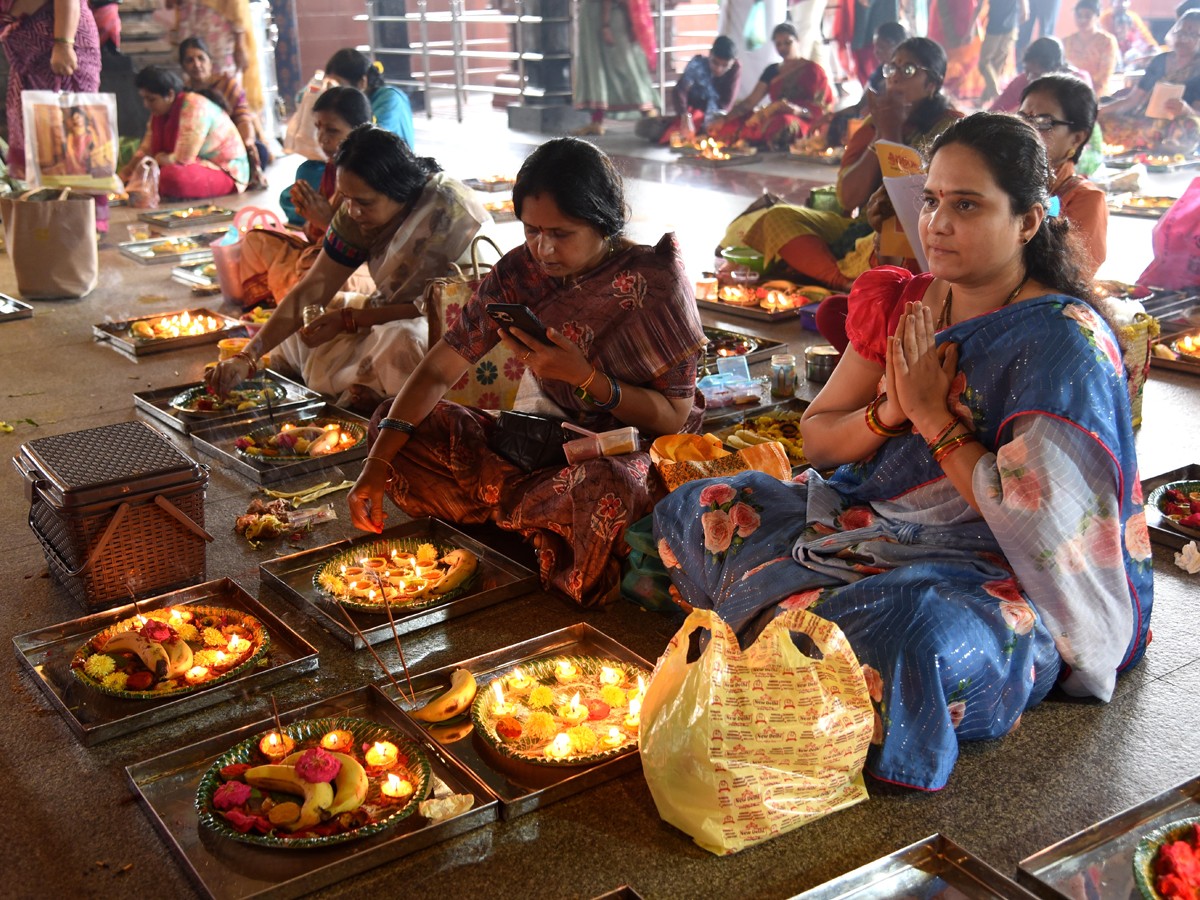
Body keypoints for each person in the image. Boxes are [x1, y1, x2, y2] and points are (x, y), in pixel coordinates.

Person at [653, 112, 1153, 791]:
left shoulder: (1064, 344)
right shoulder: (911, 301)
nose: (938, 224)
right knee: (706, 502)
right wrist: (892, 411)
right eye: (935, 200)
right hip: (872, 522)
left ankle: (786, 626)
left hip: (998, 566)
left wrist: (934, 419)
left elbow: (1043, 532)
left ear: (1030, 221)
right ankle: (803, 638)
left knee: (915, 633)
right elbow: (820, 438)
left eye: (968, 205)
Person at [347, 137, 707, 606]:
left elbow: (673, 418)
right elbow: (438, 369)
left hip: (630, 452)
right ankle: (540, 525)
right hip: (543, 443)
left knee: (605, 489)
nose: (543, 249)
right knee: (392, 426)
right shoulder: (519, 274)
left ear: (603, 221)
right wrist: (374, 466)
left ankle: (529, 522)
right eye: (531, 230)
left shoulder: (655, 283)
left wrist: (586, 378)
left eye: (561, 233)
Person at [207, 125, 488, 410]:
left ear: (397, 189)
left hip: (451, 327)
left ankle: (400, 409)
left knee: (402, 340)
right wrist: (247, 356)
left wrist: (351, 320)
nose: (352, 211)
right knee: (304, 317)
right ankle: (371, 389)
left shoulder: (447, 209)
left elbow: (444, 305)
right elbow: (314, 287)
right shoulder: (355, 213)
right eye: (346, 198)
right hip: (385, 310)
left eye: (364, 202)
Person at [722, 37, 960, 292]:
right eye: (892, 68)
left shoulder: (950, 127)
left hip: (908, 233)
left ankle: (844, 276)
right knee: (777, 217)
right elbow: (848, 198)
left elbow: (914, 202)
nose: (895, 77)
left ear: (932, 84)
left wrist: (892, 133)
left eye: (909, 69)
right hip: (860, 225)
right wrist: (882, 131)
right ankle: (844, 282)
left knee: (889, 240)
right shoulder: (875, 120)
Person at [239, 86, 375, 310]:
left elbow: (375, 247)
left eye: (332, 130)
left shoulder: (373, 169)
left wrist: (327, 221)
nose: (322, 138)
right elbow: (315, 239)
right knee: (256, 241)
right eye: (319, 128)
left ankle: (296, 307)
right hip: (325, 255)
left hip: (363, 269)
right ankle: (273, 309)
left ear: (359, 130)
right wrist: (311, 218)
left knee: (312, 267)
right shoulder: (333, 167)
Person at [0, 0, 103, 221]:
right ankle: (50, 225)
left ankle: (78, 225)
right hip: (26, 50)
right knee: (38, 142)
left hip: (60, 39)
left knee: (74, 141)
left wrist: (64, 43)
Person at [1019, 74, 1107, 274]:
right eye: (1023, 118)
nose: (1027, 129)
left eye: (1044, 121)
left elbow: (1071, 277)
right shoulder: (998, 179)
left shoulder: (1086, 199)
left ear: (1077, 138)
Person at [118, 65, 248, 199]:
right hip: (190, 166)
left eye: (151, 99)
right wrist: (124, 174)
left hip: (225, 172)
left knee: (170, 178)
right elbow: (145, 149)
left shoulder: (194, 107)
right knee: (144, 175)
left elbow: (183, 159)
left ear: (170, 94)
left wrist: (158, 159)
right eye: (144, 99)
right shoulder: (159, 113)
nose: (146, 105)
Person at [708, 23, 833, 150]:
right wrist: (725, 119)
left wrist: (797, 110)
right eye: (778, 44)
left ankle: (757, 143)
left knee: (783, 122)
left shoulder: (813, 70)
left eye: (787, 42)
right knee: (731, 124)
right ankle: (754, 142)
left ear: (797, 41)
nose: (783, 47)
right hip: (772, 114)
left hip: (803, 119)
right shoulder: (772, 70)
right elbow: (750, 102)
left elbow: (822, 109)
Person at [1099, 10, 1200, 154]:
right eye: (1181, 32)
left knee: (1191, 126)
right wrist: (1098, 112)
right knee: (1101, 121)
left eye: (1192, 35)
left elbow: (1197, 113)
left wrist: (1186, 110)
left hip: (1175, 126)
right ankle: (1146, 146)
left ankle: (1159, 148)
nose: (1183, 39)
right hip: (1144, 121)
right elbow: (1133, 99)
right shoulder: (1159, 60)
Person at [179, 36, 269, 189]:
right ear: (183, 66)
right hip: (200, 148)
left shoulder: (228, 84)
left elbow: (243, 118)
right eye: (190, 60)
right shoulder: (183, 94)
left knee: (260, 152)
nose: (197, 64)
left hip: (231, 147)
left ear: (210, 61)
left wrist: (246, 145)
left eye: (201, 58)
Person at [573, 0, 659, 136]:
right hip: (594, 16)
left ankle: (648, 110)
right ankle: (596, 120)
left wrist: (606, 23)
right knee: (596, 66)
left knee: (626, 65)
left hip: (609, 17)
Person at [163, 0, 261, 111]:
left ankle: (228, 124)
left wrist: (240, 43)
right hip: (190, 20)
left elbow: (237, 5)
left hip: (217, 28)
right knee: (193, 80)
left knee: (225, 86)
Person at [825, 20, 907, 147]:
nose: (876, 52)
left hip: (898, 123)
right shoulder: (879, 73)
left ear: (897, 47)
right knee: (842, 120)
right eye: (875, 47)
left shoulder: (905, 75)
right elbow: (860, 106)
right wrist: (832, 116)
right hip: (874, 118)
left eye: (882, 47)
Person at [324, 48, 415, 151]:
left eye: (339, 85)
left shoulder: (390, 99)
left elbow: (372, 139)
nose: (334, 91)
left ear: (362, 82)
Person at [659, 35, 741, 145]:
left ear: (732, 63)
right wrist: (684, 116)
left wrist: (715, 123)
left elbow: (726, 104)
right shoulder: (698, 64)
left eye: (724, 65)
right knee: (649, 129)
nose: (718, 69)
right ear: (710, 54)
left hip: (717, 120)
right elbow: (680, 90)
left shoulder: (735, 70)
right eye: (715, 63)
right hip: (692, 116)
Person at [990, 35, 1093, 112]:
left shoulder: (1077, 85)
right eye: (1027, 71)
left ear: (1055, 70)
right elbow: (993, 112)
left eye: (1036, 74)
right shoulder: (1022, 80)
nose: (1030, 78)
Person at [929, 0, 984, 100]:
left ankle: (954, 87)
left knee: (966, 56)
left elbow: (975, 8)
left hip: (962, 21)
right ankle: (950, 87)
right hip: (951, 21)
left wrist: (969, 30)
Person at [1063, 0, 1120, 95]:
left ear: (1097, 17)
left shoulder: (1107, 41)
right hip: (1069, 91)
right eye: (1079, 15)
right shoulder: (1066, 42)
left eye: (1087, 16)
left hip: (1096, 94)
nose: (1082, 20)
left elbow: (1104, 76)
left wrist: (1082, 82)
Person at [975, 0, 1026, 104]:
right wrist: (1025, 10)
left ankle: (995, 95)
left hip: (996, 26)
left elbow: (979, 6)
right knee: (997, 64)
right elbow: (1024, 12)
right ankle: (985, 99)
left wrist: (971, 27)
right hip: (1010, 25)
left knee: (984, 63)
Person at [1100, 0, 1161, 69]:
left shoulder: (1133, 17)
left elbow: (1145, 36)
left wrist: (1153, 47)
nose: (1122, 4)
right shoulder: (1104, 18)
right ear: (1112, 3)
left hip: (1132, 56)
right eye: (1119, 1)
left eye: (1125, 1)